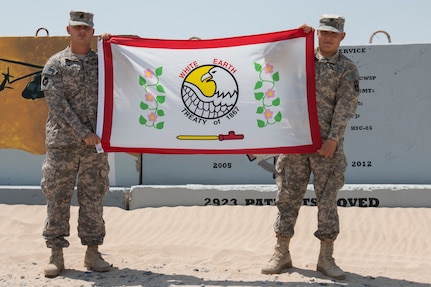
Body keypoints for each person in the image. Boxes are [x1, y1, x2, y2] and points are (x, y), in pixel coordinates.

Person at [261, 14, 360, 280]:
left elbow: (345, 106)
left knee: (327, 202)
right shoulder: (299, 58)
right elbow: (267, 57)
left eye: (333, 34)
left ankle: (326, 258)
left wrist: (333, 139)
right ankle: (281, 252)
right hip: (295, 142)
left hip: (326, 146)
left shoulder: (346, 68)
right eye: (323, 32)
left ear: (342, 37)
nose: (327, 37)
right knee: (286, 198)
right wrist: (292, 36)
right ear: (317, 34)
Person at [40, 10, 112, 278]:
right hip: (63, 144)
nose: (83, 31)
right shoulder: (55, 64)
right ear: (68, 30)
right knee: (57, 198)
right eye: (78, 27)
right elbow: (57, 105)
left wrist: (113, 43)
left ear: (93, 32)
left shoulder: (103, 62)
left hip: (94, 146)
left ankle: (92, 252)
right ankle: (56, 255)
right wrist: (83, 132)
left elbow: (132, 60)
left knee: (93, 197)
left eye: (87, 28)